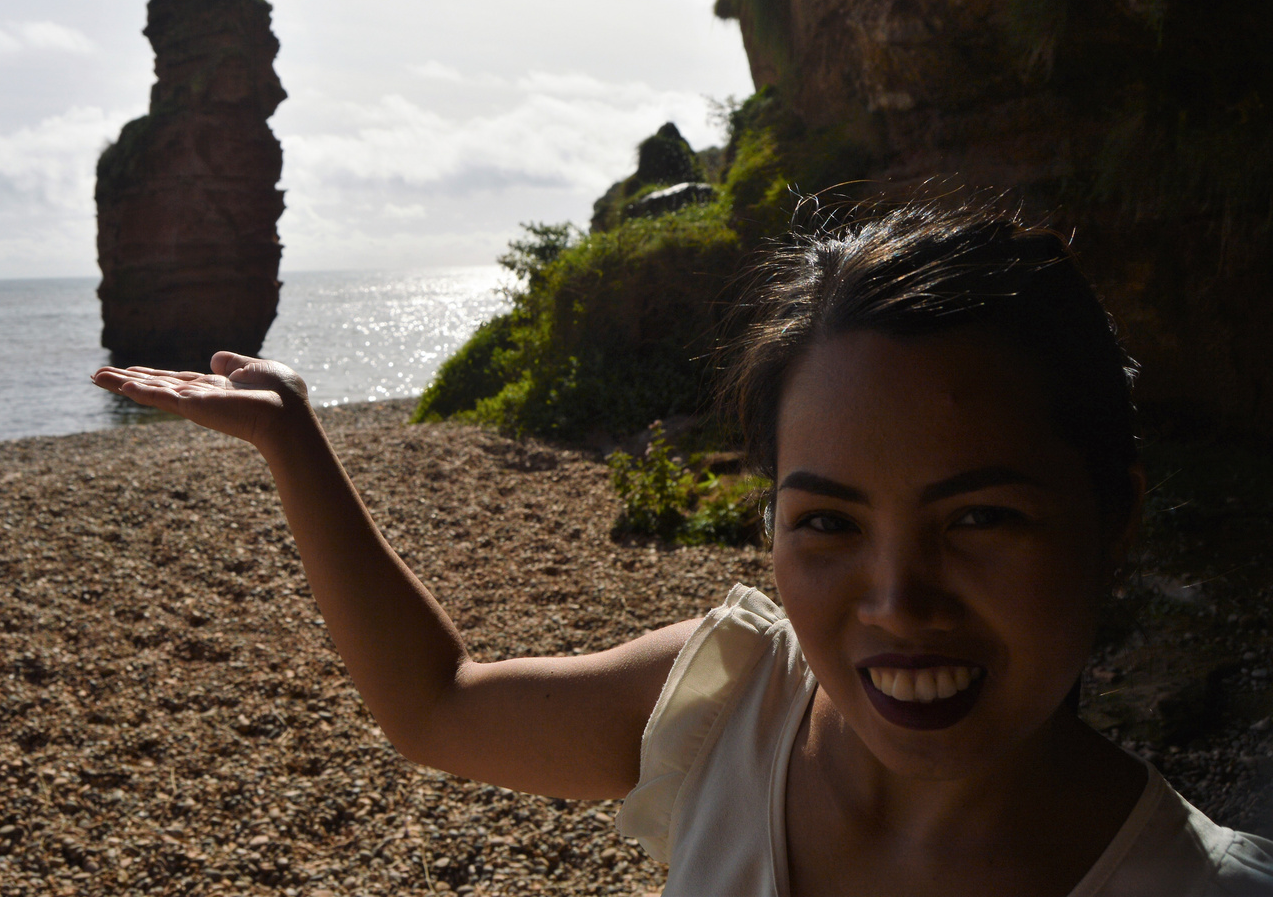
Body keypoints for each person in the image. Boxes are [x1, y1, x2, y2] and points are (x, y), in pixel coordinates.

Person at [91, 201, 1273, 895]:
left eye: (979, 518)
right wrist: (295, 437)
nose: (896, 599)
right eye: (826, 522)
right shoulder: (730, 704)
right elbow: (438, 708)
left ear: (1112, 517)